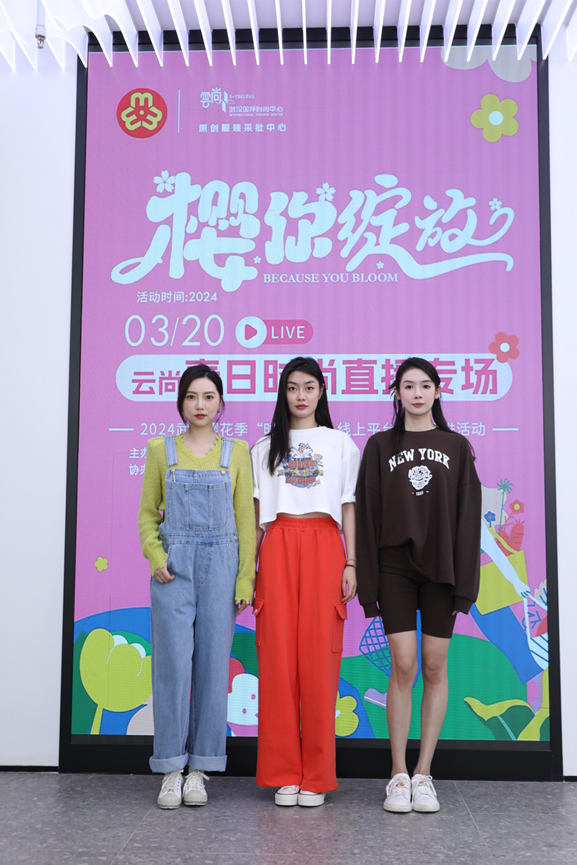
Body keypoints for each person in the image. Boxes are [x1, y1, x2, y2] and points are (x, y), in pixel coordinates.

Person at [356, 357, 481, 813]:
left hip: (442, 570)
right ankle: (398, 774)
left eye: (425, 385)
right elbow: (366, 515)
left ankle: (424, 773)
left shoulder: (456, 445)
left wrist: (465, 585)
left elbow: (468, 517)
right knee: (404, 665)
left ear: (438, 391)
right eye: (408, 386)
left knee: (433, 665)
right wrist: (368, 583)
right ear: (396, 393)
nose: (417, 393)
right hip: (394, 567)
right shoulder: (379, 446)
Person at [138, 364, 255, 809]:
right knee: (171, 667)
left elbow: (245, 521)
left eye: (208, 396)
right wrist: (156, 555)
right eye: (192, 396)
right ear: (181, 402)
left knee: (212, 667)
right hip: (173, 570)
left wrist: (244, 578)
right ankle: (171, 768)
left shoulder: (237, 452)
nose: (200, 405)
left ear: (221, 403)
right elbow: (147, 514)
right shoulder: (160, 450)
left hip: (222, 568)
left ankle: (201, 769)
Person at [251, 356, 360, 807]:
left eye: (309, 387)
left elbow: (349, 504)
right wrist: (249, 569)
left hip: (324, 544)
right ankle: (283, 773)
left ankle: (316, 775)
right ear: (283, 392)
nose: (300, 395)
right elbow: (256, 517)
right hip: (277, 544)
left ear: (321, 391)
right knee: (276, 660)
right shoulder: (264, 447)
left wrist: (351, 562)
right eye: (292, 387)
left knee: (319, 662)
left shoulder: (340, 443)